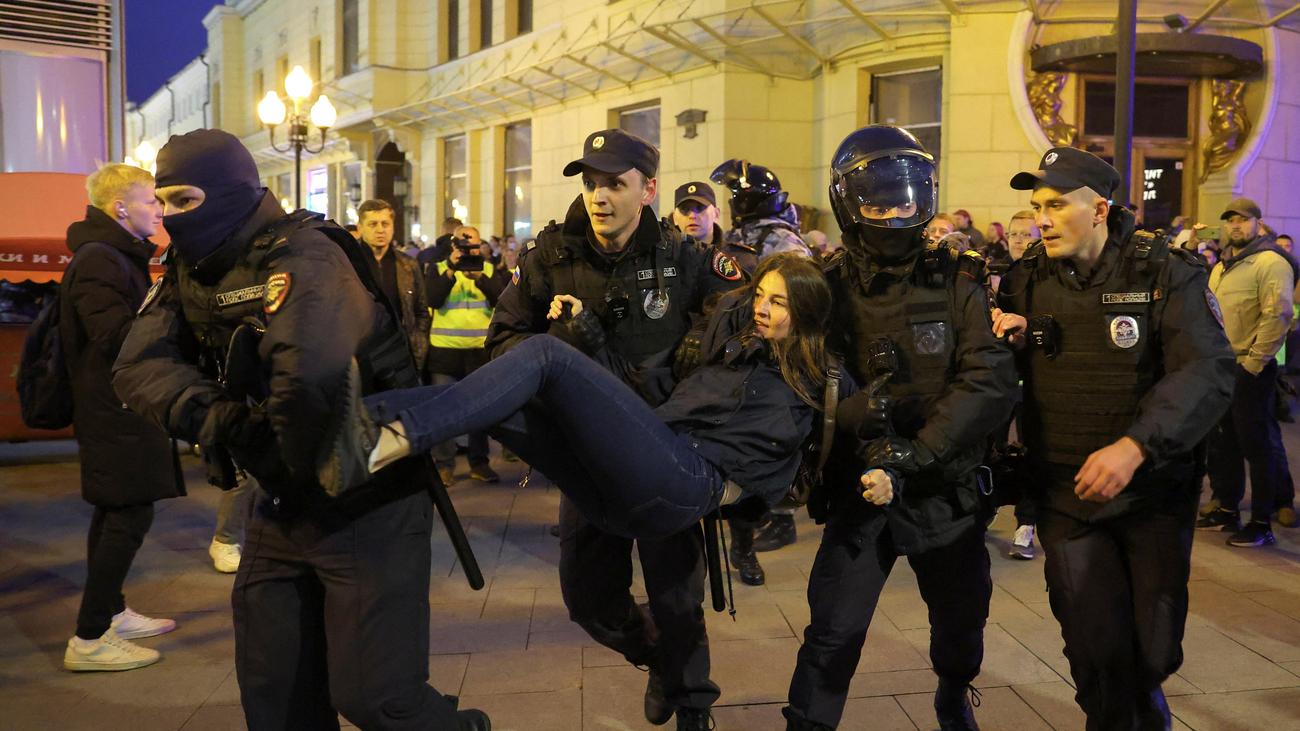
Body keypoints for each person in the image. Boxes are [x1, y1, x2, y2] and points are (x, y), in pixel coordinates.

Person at [111, 129, 487, 731]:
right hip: (280, 501)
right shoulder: (190, 268)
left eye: (186, 200)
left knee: (380, 702)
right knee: (276, 698)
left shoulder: (306, 254)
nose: (171, 218)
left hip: (368, 498)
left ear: (229, 192)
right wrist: (226, 420)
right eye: (165, 202)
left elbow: (310, 384)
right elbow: (137, 365)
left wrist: (244, 432)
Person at [484, 128, 743, 730]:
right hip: (588, 462)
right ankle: (657, 659)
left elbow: (736, 342)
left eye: (615, 184)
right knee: (590, 601)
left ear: (647, 190)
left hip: (663, 455)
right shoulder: (551, 257)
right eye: (591, 183)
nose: (599, 197)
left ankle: (693, 709)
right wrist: (554, 345)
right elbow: (501, 342)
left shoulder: (686, 258)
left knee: (679, 600)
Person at [991, 147, 1235, 730]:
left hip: (1153, 496)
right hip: (1065, 496)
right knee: (1095, 648)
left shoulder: (1165, 271)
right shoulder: (1027, 277)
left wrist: (1135, 447)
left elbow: (1207, 370)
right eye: (1035, 208)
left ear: (1099, 209)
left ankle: (1141, 703)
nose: (1040, 220)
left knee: (1153, 651)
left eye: (1055, 206)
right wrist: (1009, 338)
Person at [784, 125, 1018, 731]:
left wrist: (917, 452)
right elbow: (800, 372)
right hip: (861, 492)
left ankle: (952, 691)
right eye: (876, 203)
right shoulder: (827, 288)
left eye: (903, 201)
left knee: (961, 625)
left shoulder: (958, 281)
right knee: (832, 631)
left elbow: (987, 380)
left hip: (943, 487)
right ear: (848, 205)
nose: (891, 215)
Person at [330, 253, 825, 537]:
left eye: (777, 302)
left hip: (687, 483)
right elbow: (636, 399)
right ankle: (353, 426)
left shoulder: (806, 382)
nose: (761, 307)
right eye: (759, 295)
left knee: (546, 355)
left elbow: (792, 466)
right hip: (635, 482)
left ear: (805, 312)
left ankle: (386, 440)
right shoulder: (732, 349)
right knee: (506, 400)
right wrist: (588, 331)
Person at [61, 163, 183, 672]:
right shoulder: (99, 259)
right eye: (151, 200)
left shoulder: (114, 255)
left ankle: (111, 612)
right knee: (129, 513)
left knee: (116, 510)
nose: (158, 209)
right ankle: (89, 638)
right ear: (120, 208)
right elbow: (116, 338)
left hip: (121, 404)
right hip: (115, 409)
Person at [710, 159, 813, 562]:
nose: (734, 201)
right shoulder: (745, 234)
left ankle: (782, 516)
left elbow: (802, 302)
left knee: (779, 437)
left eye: (737, 194)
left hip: (777, 356)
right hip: (746, 349)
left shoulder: (782, 241)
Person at [1198, 199, 1298, 545]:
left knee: (1257, 446)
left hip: (1251, 368)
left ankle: (1261, 521)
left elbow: (1279, 315)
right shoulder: (1222, 265)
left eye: (1243, 220)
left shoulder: (1270, 262)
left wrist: (1255, 363)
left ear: (1258, 223)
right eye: (1230, 221)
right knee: (1224, 443)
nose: (1235, 226)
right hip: (1223, 367)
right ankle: (1227, 508)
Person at [426, 224, 510, 484]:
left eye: (473, 244)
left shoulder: (487, 269)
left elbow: (502, 298)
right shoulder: (439, 268)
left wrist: (481, 279)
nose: (469, 249)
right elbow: (433, 299)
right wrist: (451, 269)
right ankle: (444, 465)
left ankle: (479, 462)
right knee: (443, 411)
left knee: (479, 409)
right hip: (444, 351)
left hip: (478, 351)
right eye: (463, 245)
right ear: (454, 246)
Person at [1002, 210, 1041, 560]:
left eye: (1026, 235)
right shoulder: (999, 274)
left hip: (1034, 377)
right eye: (1013, 234)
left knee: (1030, 449)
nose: (1018, 240)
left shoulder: (1045, 274)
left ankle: (1026, 524)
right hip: (1001, 377)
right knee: (993, 446)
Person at [358, 198, 431, 373]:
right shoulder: (349, 263)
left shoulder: (408, 264)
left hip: (401, 353)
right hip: (362, 354)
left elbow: (421, 310)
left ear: (393, 227)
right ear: (360, 228)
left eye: (385, 224)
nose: (380, 230)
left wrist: (418, 342)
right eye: (373, 224)